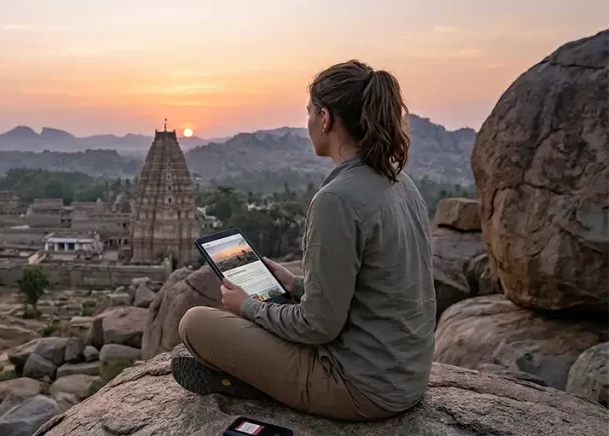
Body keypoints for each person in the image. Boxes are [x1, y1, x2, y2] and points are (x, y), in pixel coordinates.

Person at [171, 59, 436, 421]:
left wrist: (247, 307)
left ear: (325, 118)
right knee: (259, 317)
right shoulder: (400, 182)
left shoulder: (336, 200)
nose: (308, 122)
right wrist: (294, 284)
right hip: (405, 379)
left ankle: (256, 383)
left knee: (195, 323)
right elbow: (372, 291)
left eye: (310, 112)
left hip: (357, 388)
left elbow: (317, 327)